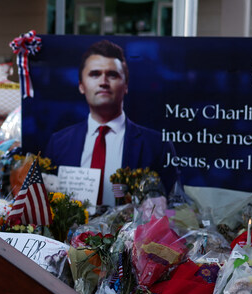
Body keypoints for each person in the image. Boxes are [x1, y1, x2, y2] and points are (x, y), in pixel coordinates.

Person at [43, 39, 177, 206]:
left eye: (112, 74)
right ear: (81, 86)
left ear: (126, 85)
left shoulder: (157, 146)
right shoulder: (58, 143)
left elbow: (176, 207)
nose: (103, 82)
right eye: (95, 74)